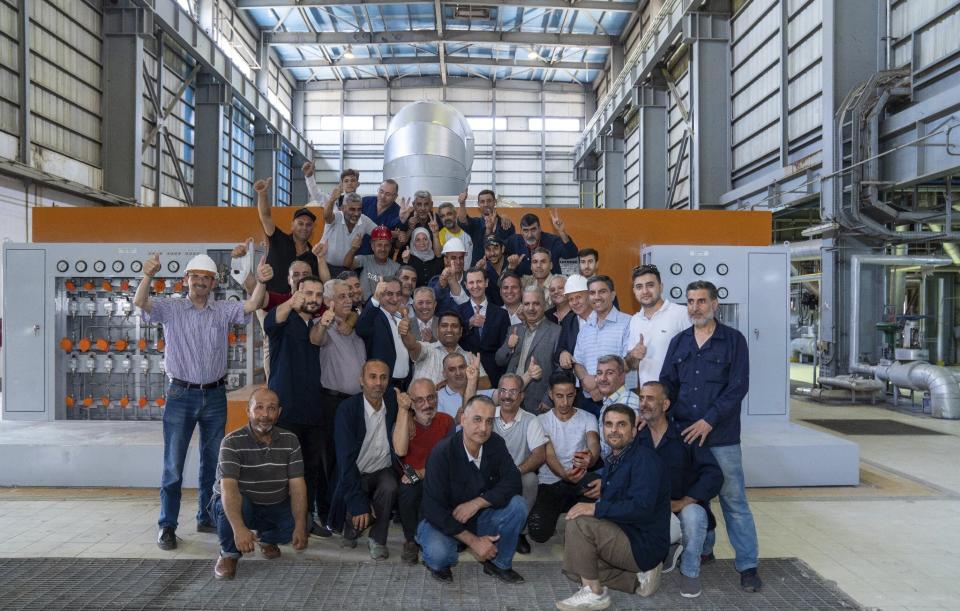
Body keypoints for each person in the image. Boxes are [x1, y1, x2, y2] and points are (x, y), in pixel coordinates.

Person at [134, 252, 269, 550]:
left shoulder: (222, 310)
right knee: (173, 465)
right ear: (186, 280)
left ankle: (206, 516)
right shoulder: (171, 308)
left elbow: (252, 304)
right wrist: (148, 276)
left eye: (206, 278)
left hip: (215, 395)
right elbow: (141, 303)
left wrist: (260, 281)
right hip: (180, 395)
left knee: (213, 461)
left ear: (213, 283)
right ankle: (167, 526)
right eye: (196, 277)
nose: (201, 282)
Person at [660, 280, 761, 593]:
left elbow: (737, 388)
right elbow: (667, 384)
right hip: (684, 436)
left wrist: (708, 421)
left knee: (733, 501)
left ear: (715, 304)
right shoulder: (679, 342)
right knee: (696, 496)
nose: (695, 307)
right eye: (690, 301)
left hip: (721, 437)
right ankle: (706, 548)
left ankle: (748, 566)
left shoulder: (733, 341)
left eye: (701, 301)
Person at [555, 405, 671, 609]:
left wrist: (596, 509)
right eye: (609, 424)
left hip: (643, 542)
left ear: (634, 431)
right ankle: (636, 581)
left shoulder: (644, 460)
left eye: (621, 425)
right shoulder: (615, 458)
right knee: (575, 565)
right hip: (624, 532)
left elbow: (642, 509)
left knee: (579, 523)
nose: (614, 430)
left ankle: (594, 593)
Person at [417, 395, 528, 584]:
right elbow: (433, 508)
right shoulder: (442, 453)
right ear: (463, 420)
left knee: (518, 505)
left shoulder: (495, 443)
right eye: (477, 419)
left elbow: (513, 481)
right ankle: (444, 555)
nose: (483, 428)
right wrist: (473, 541)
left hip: (478, 516)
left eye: (489, 421)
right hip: (443, 520)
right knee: (439, 555)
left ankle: (499, 564)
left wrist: (478, 503)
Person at [637, 381, 723, 599]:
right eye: (641, 398)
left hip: (690, 520)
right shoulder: (636, 438)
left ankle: (690, 571)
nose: (643, 404)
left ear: (665, 404)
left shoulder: (686, 435)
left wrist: (684, 502)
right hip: (657, 516)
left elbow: (714, 475)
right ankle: (666, 550)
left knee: (694, 515)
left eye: (650, 398)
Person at [212, 388, 308, 580]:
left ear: (279, 413)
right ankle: (228, 554)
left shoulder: (290, 440)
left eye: (272, 408)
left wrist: (300, 525)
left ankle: (266, 538)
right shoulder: (231, 442)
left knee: (305, 523)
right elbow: (228, 488)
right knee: (239, 505)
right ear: (248, 411)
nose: (265, 415)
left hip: (272, 503)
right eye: (259, 408)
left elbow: (297, 485)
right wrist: (239, 529)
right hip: (239, 503)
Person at [263, 275, 330, 537]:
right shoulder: (284, 317)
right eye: (309, 293)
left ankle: (307, 520)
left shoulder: (312, 323)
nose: (314, 299)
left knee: (310, 469)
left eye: (318, 295)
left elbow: (316, 340)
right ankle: (278, 523)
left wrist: (323, 324)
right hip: (285, 410)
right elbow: (273, 321)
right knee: (281, 470)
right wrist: (291, 302)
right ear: (298, 292)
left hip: (312, 409)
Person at [329, 360, 405, 558]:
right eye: (372, 377)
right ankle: (352, 523)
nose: (378, 383)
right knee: (355, 503)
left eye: (383, 377)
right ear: (361, 380)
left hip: (382, 471)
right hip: (355, 473)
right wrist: (358, 505)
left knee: (390, 485)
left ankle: (378, 539)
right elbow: (345, 462)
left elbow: (409, 408)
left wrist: (409, 417)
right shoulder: (347, 410)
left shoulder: (392, 401)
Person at [314, 279, 367, 529]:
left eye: (350, 296)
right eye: (342, 296)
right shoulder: (325, 327)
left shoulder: (353, 328)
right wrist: (324, 323)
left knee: (350, 462)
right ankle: (326, 515)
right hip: (332, 403)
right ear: (328, 302)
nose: (348, 299)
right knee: (331, 462)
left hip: (357, 404)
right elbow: (315, 338)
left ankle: (344, 513)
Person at [527, 371, 601, 544]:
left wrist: (590, 458)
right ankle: (563, 513)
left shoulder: (588, 418)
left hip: (580, 480)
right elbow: (549, 455)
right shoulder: (540, 420)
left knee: (599, 483)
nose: (565, 402)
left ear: (575, 393)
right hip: (549, 482)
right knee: (539, 534)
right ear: (551, 394)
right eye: (559, 396)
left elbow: (594, 444)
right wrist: (564, 474)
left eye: (569, 396)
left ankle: (577, 517)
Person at [392, 378, 457, 565]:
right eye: (419, 400)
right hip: (410, 474)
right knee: (408, 488)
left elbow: (448, 463)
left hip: (437, 476)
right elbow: (400, 452)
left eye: (430, 398)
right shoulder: (404, 423)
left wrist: (423, 472)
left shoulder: (446, 421)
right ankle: (410, 540)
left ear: (437, 397)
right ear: (411, 402)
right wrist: (404, 412)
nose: (427, 404)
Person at [487, 373, 547, 555]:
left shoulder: (531, 420)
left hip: (517, 474)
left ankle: (519, 531)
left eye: (513, 391)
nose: (507, 396)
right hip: (488, 474)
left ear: (521, 396)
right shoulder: (487, 416)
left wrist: (515, 471)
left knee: (530, 480)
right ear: (497, 394)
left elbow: (539, 455)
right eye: (503, 390)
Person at [495, 285, 560, 414]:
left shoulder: (556, 331)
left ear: (544, 305)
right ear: (522, 306)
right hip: (509, 399)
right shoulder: (514, 329)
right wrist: (508, 346)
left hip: (538, 402)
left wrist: (549, 398)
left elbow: (560, 370)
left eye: (536, 304)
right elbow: (499, 360)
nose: (531, 308)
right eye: (527, 304)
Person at [572, 276, 631, 417]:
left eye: (602, 292)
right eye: (592, 293)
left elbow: (628, 363)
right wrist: (586, 381)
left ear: (612, 295)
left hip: (618, 402)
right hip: (588, 401)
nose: (597, 297)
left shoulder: (628, 322)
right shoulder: (586, 328)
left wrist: (600, 388)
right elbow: (578, 362)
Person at [625, 264, 691, 387]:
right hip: (649, 397)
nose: (645, 291)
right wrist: (634, 356)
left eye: (650, 285)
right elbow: (632, 365)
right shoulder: (635, 320)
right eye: (639, 287)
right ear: (634, 291)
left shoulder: (681, 313)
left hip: (678, 395)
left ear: (661, 287)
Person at [255, 177, 319, 293]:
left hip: (298, 306)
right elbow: (265, 216)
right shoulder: (278, 239)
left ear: (312, 229)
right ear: (292, 226)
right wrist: (262, 194)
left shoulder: (314, 257)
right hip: (271, 304)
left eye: (308, 225)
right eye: (300, 223)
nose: (304, 227)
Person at [402, 310, 489, 387]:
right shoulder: (427, 349)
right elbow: (412, 345)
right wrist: (405, 333)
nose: (449, 330)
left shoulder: (469, 357)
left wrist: (451, 384)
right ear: (437, 330)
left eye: (454, 326)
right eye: (444, 325)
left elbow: (486, 384)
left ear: (461, 331)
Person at [458, 267, 511, 386]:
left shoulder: (501, 313)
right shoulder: (458, 312)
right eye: (471, 282)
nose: (475, 286)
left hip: (494, 375)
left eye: (479, 281)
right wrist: (469, 324)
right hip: (466, 373)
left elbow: (504, 349)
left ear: (486, 283)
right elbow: (455, 340)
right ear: (466, 285)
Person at [356, 277, 411, 389]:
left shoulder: (402, 318)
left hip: (404, 385)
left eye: (398, 294)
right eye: (389, 294)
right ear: (380, 294)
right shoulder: (375, 316)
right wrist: (375, 297)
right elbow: (361, 329)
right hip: (382, 386)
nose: (395, 299)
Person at [319, 190, 376, 277]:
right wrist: (331, 200)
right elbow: (327, 216)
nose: (356, 213)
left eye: (359, 209)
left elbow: (380, 233)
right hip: (327, 267)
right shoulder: (336, 217)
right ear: (343, 208)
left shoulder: (364, 220)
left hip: (349, 269)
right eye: (352, 209)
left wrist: (398, 233)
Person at [594, 355, 640, 459]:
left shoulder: (627, 401)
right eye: (599, 373)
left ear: (622, 377)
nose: (603, 378)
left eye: (609, 373)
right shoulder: (609, 401)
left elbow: (627, 448)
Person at [505, 210, 577, 276]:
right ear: (521, 231)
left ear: (539, 229)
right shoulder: (514, 241)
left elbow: (571, 254)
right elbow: (497, 250)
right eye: (526, 230)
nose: (530, 235)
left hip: (549, 286)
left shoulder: (552, 241)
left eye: (533, 229)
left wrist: (561, 232)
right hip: (524, 285)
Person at [457, 189, 515, 265]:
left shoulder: (506, 224)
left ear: (495, 202)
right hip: (479, 271)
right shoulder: (475, 223)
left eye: (489, 201)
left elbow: (511, 248)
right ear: (478, 204)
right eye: (482, 201)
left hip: (501, 271)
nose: (486, 204)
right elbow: (462, 220)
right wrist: (462, 203)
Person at [344, 226, 401, 301]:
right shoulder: (364, 260)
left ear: (390, 247)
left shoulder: (396, 267)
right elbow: (346, 264)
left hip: (385, 309)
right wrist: (353, 249)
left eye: (386, 245)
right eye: (379, 245)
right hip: (363, 306)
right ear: (372, 246)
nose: (383, 249)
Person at [357, 179, 403, 254]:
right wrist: (389, 233)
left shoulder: (399, 213)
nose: (382, 196)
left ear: (395, 196)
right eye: (381, 191)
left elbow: (398, 242)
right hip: (356, 252)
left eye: (388, 194)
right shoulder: (364, 202)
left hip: (380, 258)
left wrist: (403, 220)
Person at [429, 237, 470, 310]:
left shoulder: (470, 280)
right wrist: (440, 285)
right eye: (453, 258)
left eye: (461, 258)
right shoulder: (435, 281)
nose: (458, 262)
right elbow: (429, 303)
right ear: (445, 260)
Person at [436, 201, 474, 269]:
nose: (446, 218)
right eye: (443, 216)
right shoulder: (441, 234)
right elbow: (438, 254)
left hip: (471, 275)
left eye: (449, 214)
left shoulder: (468, 229)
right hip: (452, 275)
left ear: (455, 214)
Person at [479, 235, 508, 306]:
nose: (492, 253)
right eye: (488, 249)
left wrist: (512, 269)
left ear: (503, 248)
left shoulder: (512, 263)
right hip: (496, 313)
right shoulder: (484, 268)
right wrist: (480, 273)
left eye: (495, 248)